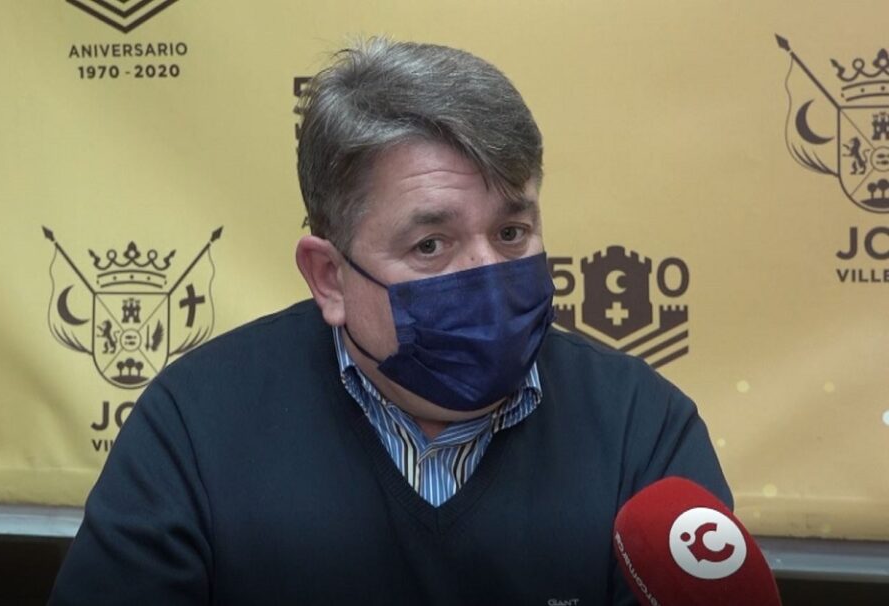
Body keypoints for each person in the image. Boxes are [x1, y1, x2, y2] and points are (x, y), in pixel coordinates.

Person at [50, 38, 731, 605]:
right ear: (329, 276)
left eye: (512, 233)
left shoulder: (643, 428)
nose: (486, 273)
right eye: (430, 245)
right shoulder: (195, 426)